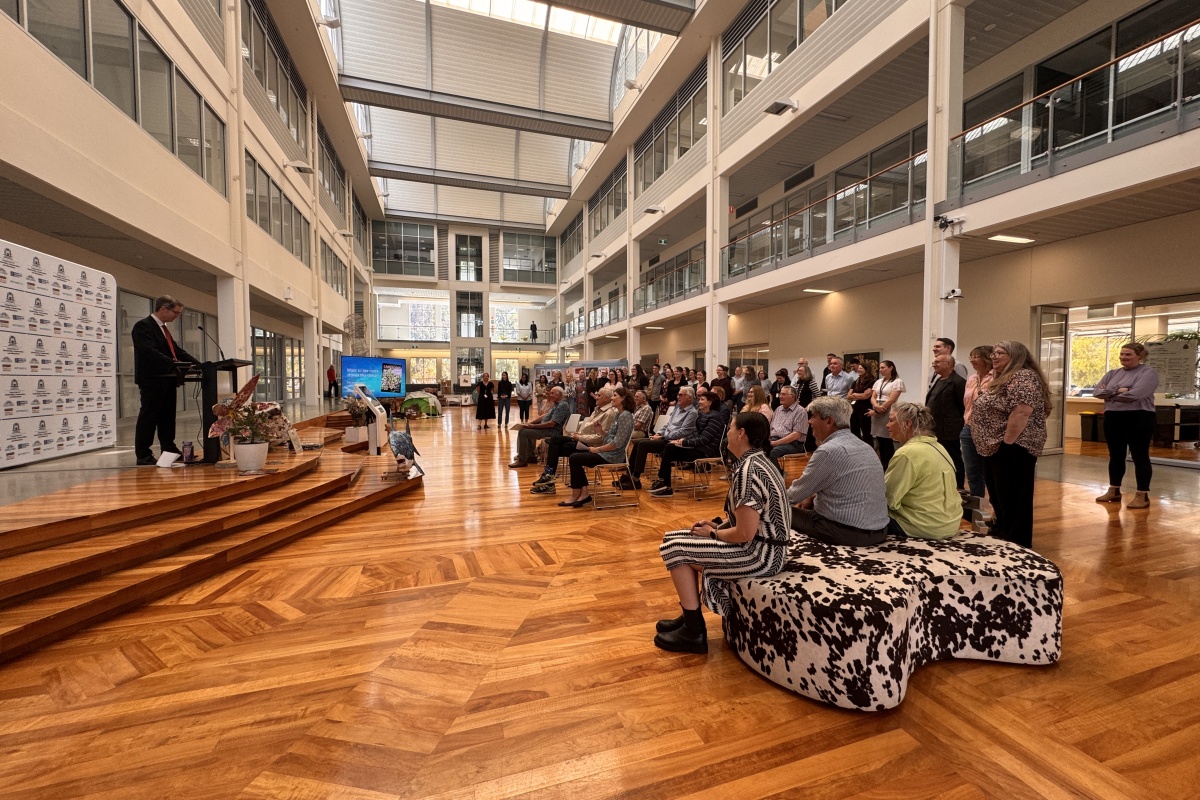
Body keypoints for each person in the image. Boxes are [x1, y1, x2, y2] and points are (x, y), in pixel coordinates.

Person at [654, 411, 790, 654]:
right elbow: (747, 522)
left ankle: (694, 632)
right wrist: (717, 526)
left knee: (674, 549)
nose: (726, 434)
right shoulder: (756, 461)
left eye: (730, 429)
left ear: (741, 434)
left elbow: (746, 533)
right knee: (673, 538)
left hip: (762, 556)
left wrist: (713, 535)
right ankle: (689, 615)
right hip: (762, 546)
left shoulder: (749, 472)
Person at [971, 341, 1051, 549]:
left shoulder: (1023, 376)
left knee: (1014, 494)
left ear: (1015, 356)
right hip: (994, 446)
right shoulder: (1003, 377)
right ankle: (1003, 530)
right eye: (994, 353)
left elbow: (1022, 411)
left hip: (1014, 446)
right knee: (999, 492)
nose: (994, 356)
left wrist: (1007, 442)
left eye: (1001, 353)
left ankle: (1017, 539)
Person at [787, 396, 890, 546]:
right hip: (879, 530)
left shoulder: (828, 451)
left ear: (829, 421)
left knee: (778, 510)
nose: (809, 422)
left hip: (848, 532)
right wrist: (812, 495)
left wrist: (762, 500)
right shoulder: (866, 447)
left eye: (813, 416)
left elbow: (793, 495)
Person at [132, 295, 201, 465]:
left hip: (168, 380)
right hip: (152, 380)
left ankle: (168, 448)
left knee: (167, 417)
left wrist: (201, 365)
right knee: (149, 417)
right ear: (163, 308)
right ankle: (143, 454)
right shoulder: (143, 326)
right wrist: (174, 363)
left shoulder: (163, 329)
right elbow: (149, 351)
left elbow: (176, 350)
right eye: (175, 313)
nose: (176, 317)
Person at [1093, 342, 1160, 509]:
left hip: (1139, 417)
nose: (1123, 357)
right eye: (1122, 354)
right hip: (1113, 417)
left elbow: (1137, 394)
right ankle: (1114, 491)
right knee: (1115, 455)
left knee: (1140, 456)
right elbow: (1096, 392)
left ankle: (1142, 495)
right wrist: (1120, 390)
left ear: (1140, 356)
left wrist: (1110, 393)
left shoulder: (1148, 373)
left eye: (1128, 355)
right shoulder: (1112, 373)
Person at [884, 402, 963, 540]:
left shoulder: (907, 453)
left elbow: (887, 498)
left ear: (907, 424)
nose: (887, 425)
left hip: (921, 526)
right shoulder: (939, 447)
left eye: (891, 420)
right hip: (950, 523)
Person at [530, 386, 617, 492]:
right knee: (555, 441)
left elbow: (601, 438)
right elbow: (588, 428)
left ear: (606, 399)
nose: (596, 397)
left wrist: (579, 437)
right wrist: (578, 434)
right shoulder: (597, 411)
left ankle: (549, 478)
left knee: (556, 447)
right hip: (582, 440)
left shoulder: (609, 413)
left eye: (599, 395)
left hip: (590, 446)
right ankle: (548, 477)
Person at [559, 391, 637, 507]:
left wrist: (598, 449)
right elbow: (610, 437)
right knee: (575, 457)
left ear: (623, 398)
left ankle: (577, 494)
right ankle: (583, 492)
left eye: (615, 395)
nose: (612, 398)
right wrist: (600, 431)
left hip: (613, 455)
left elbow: (617, 443)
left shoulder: (625, 416)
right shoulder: (618, 414)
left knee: (575, 458)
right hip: (608, 452)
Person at [650, 391, 726, 497]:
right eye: (699, 399)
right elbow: (696, 434)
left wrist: (684, 441)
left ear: (710, 402)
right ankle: (664, 482)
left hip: (705, 451)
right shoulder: (703, 415)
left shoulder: (715, 417)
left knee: (669, 449)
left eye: (702, 399)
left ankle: (664, 484)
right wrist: (682, 440)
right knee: (669, 447)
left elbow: (705, 439)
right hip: (697, 447)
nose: (698, 402)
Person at [627, 386, 698, 489]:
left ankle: (636, 478)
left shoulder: (692, 413)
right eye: (678, 394)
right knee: (638, 442)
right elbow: (667, 425)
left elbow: (683, 432)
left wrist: (663, 437)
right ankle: (628, 474)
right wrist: (659, 433)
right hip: (665, 438)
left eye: (681, 395)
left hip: (674, 442)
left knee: (642, 445)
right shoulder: (678, 409)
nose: (678, 397)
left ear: (690, 398)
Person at [925, 354, 967, 489]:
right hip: (936, 427)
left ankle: (958, 487)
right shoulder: (938, 379)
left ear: (948, 364)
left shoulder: (958, 381)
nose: (934, 364)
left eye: (938, 362)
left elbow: (963, 406)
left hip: (950, 429)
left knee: (954, 458)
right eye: (934, 362)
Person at [960, 345, 994, 508]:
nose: (972, 360)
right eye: (971, 357)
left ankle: (996, 507)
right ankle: (976, 507)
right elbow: (967, 404)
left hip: (988, 430)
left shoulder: (997, 377)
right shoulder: (971, 378)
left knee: (990, 471)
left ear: (987, 358)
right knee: (972, 472)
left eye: (976, 356)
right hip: (968, 427)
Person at [511, 386, 570, 467]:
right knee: (525, 429)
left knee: (523, 433)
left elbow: (551, 424)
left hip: (552, 431)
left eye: (553, 393)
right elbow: (543, 417)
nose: (550, 394)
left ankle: (522, 460)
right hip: (548, 429)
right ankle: (530, 456)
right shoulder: (556, 404)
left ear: (559, 395)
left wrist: (533, 426)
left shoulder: (562, 405)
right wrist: (529, 424)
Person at [867, 360, 905, 469]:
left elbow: (892, 399)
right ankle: (882, 463)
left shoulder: (897, 381)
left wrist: (880, 408)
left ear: (891, 368)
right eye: (880, 368)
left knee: (887, 440)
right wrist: (876, 406)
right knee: (879, 439)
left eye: (883, 367)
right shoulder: (878, 381)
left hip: (887, 411)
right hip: (877, 409)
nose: (880, 370)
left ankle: (889, 465)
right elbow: (873, 397)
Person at [766, 385, 809, 472]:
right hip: (774, 439)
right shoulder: (778, 409)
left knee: (772, 452)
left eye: (784, 394)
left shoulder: (800, 411)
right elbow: (771, 428)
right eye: (780, 394)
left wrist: (776, 443)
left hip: (793, 444)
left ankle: (778, 477)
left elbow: (796, 435)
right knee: (757, 448)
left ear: (792, 397)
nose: (780, 397)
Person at [847, 361, 875, 446]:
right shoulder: (856, 382)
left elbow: (866, 396)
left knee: (866, 432)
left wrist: (855, 395)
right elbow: (848, 396)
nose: (858, 370)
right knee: (854, 431)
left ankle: (869, 451)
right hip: (854, 409)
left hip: (865, 409)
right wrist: (858, 395)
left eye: (861, 368)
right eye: (858, 368)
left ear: (866, 369)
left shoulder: (872, 381)